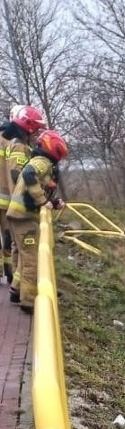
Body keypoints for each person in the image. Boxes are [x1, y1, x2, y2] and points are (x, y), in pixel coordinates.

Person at [6, 129, 66, 314]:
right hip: (24, 217)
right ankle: (29, 302)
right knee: (32, 260)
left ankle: (16, 291)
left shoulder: (42, 162)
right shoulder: (42, 162)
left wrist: (52, 202)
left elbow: (38, 187)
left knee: (26, 256)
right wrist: (42, 201)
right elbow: (29, 174)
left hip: (21, 216)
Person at [1, 105, 46, 292]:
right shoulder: (18, 144)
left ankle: (9, 277)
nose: (36, 133)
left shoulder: (5, 140)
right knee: (14, 242)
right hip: (8, 202)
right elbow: (16, 175)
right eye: (35, 129)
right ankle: (13, 279)